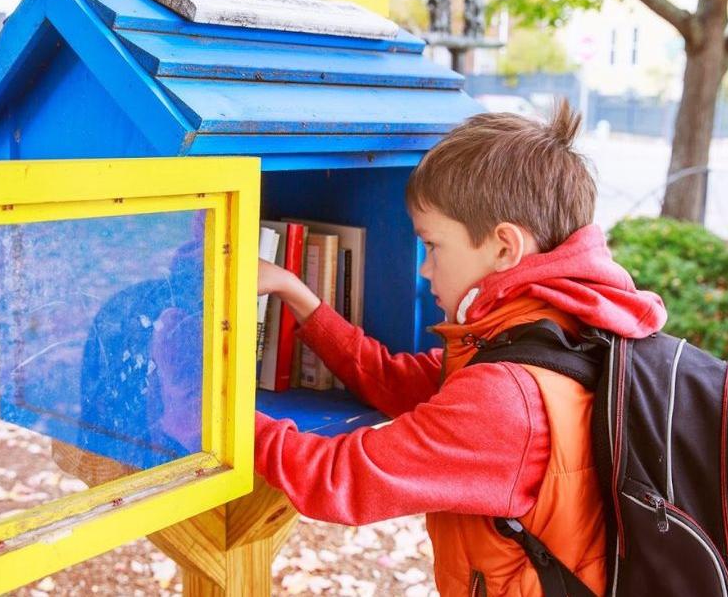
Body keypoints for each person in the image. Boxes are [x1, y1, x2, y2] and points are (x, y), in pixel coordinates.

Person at [253, 101, 668, 596]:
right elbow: (394, 379)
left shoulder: (507, 396)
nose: (424, 269)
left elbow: (338, 477)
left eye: (433, 246)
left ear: (504, 248)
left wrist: (212, 408)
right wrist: (297, 295)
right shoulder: (559, 323)